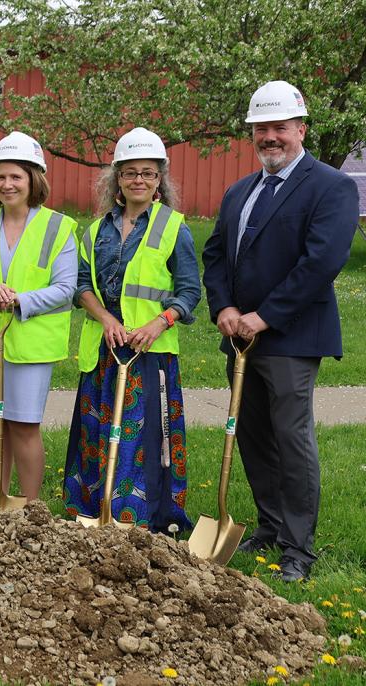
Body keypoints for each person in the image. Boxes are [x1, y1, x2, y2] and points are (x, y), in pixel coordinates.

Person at [202, 81, 358, 582]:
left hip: (291, 337)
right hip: (240, 339)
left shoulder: (330, 186)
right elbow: (216, 255)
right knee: (251, 436)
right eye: (261, 129)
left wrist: (263, 316)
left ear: (300, 129)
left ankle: (297, 547)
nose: (270, 137)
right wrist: (224, 306)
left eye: (279, 128)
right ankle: (270, 527)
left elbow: (321, 264)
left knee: (291, 438)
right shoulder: (240, 190)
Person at [63, 127, 199, 533]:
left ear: (160, 180)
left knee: (145, 442)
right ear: (117, 178)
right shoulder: (94, 230)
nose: (139, 180)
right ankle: (92, 510)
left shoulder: (175, 227)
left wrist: (160, 323)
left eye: (149, 173)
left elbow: (190, 292)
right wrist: (106, 320)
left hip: (149, 353)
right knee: (96, 433)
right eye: (131, 172)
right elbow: (80, 286)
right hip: (105, 351)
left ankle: (147, 519)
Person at [0, 132, 77, 502]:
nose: (7, 184)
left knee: (23, 425)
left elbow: (65, 288)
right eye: (0, 176)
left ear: (34, 179)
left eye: (16, 177)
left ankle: (30, 507)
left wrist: (18, 300)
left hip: (30, 343)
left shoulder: (58, 228)